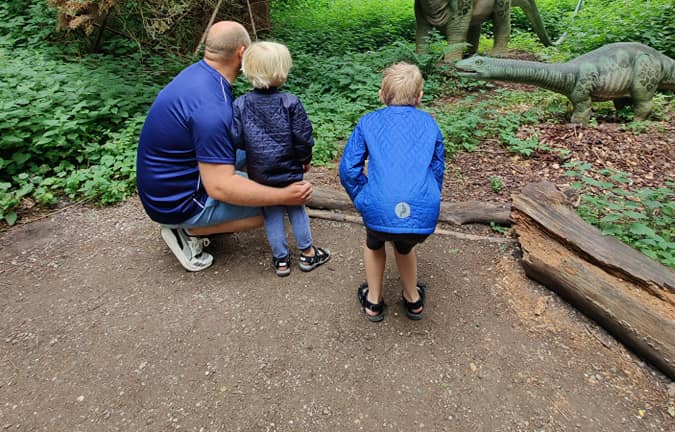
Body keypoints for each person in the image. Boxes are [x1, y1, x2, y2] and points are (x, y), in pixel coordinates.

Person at [136, 21, 312, 272]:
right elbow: (220, 186)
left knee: (260, 151)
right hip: (177, 202)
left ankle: (205, 217)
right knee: (268, 210)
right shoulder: (213, 107)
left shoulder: (199, 75)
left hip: (169, 181)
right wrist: (284, 196)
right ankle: (188, 230)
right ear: (242, 53)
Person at [338, 62, 444, 322]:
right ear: (419, 96)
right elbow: (437, 170)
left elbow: (348, 170)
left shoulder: (368, 122)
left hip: (379, 208)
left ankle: (374, 301)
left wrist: (364, 198)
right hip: (421, 210)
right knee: (405, 246)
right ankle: (413, 299)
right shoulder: (430, 124)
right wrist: (428, 199)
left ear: (380, 95)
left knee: (374, 243)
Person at [231, 40, 330, 277]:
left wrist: (253, 154)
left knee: (271, 212)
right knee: (297, 208)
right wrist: (305, 159)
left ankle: (282, 260)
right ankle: (307, 254)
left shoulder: (240, 104)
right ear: (281, 72)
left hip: (260, 170)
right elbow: (303, 137)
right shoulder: (290, 102)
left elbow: (237, 139)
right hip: (290, 167)